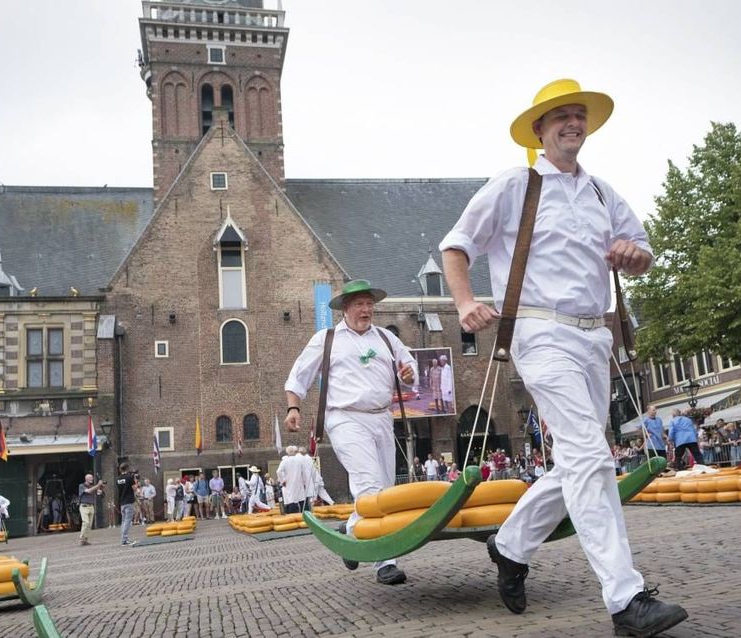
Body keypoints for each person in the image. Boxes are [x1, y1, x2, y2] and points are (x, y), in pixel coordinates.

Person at [439, 78, 686, 634]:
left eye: (580, 116)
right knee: (591, 458)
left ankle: (509, 544)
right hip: (539, 331)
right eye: (561, 117)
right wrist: (463, 302)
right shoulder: (515, 185)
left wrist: (633, 256)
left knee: (579, 459)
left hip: (595, 336)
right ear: (539, 130)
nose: (573, 123)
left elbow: (642, 252)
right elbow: (456, 246)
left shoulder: (602, 192)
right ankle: (626, 600)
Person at [285, 278, 418, 585]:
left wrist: (409, 372)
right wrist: (294, 408)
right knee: (369, 483)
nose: (366, 309)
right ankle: (385, 560)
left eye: (370, 304)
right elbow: (299, 375)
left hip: (382, 418)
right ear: (345, 308)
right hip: (343, 418)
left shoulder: (386, 339)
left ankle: (352, 530)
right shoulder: (327, 338)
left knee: (384, 491)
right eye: (359, 304)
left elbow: (410, 370)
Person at [278, 446, 308, 513]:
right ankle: (305, 515)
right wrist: (305, 482)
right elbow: (304, 472)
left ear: (287, 452)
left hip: (289, 483)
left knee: (292, 500)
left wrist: (282, 481)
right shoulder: (299, 460)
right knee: (301, 499)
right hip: (299, 483)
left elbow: (278, 471)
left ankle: (293, 516)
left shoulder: (285, 461)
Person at [115, 463, 139, 546]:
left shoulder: (117, 479)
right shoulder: (129, 477)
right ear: (127, 468)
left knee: (123, 521)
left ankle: (123, 538)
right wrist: (135, 481)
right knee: (128, 521)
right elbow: (135, 488)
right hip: (129, 501)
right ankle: (124, 540)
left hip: (122, 502)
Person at [78, 474, 104, 546]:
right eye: (90, 478)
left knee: (89, 525)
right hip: (84, 506)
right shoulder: (81, 486)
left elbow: (99, 494)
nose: (92, 479)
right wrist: (98, 485)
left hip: (91, 506)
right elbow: (88, 491)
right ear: (86, 479)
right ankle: (81, 539)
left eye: (92, 478)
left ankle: (85, 539)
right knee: (85, 522)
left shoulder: (93, 487)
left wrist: (101, 489)